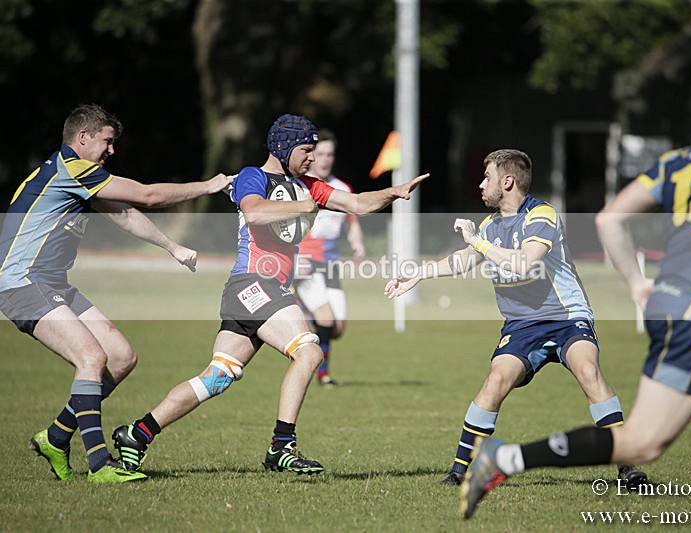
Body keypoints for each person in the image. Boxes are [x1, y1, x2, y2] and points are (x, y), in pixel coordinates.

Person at [460, 66, 691, 531]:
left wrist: (638, 283)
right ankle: (506, 458)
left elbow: (609, 219)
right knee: (642, 443)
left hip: (687, 313)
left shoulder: (677, 162)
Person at [112, 114, 427, 475]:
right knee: (309, 351)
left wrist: (393, 192)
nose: (312, 157)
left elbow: (357, 204)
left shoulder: (307, 185)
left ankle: (137, 434)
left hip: (260, 291)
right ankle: (282, 446)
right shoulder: (254, 176)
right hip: (253, 284)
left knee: (217, 377)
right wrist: (304, 206)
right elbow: (253, 211)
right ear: (283, 147)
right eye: (306, 150)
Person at [384, 149, 645, 488]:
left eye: (487, 178)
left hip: (566, 317)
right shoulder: (491, 225)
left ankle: (628, 466)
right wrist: (418, 274)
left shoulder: (542, 215)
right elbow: (464, 260)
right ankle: (460, 472)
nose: (481, 185)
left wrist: (477, 242)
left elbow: (524, 263)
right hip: (521, 326)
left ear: (507, 182)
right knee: (495, 381)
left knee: (588, 371)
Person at [0, 103, 232, 483]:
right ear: (83, 137)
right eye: (107, 142)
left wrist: (172, 247)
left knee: (121, 357)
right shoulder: (72, 169)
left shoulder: (78, 176)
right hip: (22, 282)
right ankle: (99, 465)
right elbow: (148, 195)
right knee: (92, 357)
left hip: (51, 282)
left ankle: (55, 437)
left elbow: (123, 213)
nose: (112, 150)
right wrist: (208, 186)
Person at [293, 129, 365, 387]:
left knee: (337, 329)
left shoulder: (342, 189)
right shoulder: (300, 187)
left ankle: (300, 307)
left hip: (331, 266)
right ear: (311, 156)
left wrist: (357, 244)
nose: (325, 159)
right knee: (325, 318)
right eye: (320, 154)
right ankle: (323, 375)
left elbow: (352, 223)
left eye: (330, 154)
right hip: (305, 264)